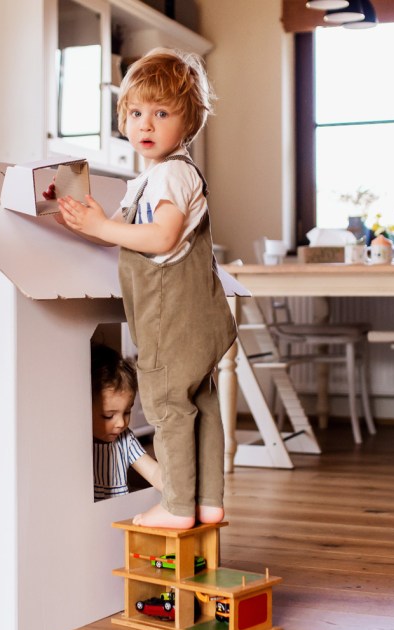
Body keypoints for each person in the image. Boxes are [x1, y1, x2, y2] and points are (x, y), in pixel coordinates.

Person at [55, 48, 236, 529]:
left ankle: (178, 506)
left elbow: (162, 236)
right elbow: (116, 230)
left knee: (168, 408)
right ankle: (208, 500)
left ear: (189, 121)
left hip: (172, 318)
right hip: (200, 319)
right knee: (203, 403)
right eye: (135, 113)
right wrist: (87, 222)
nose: (145, 124)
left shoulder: (171, 174)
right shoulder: (149, 180)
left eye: (161, 113)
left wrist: (101, 227)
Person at [91, 343, 161, 501]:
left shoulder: (125, 439)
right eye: (108, 416)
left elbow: (154, 472)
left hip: (120, 516)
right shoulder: (80, 442)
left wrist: (181, 493)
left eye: (127, 412)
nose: (121, 423)